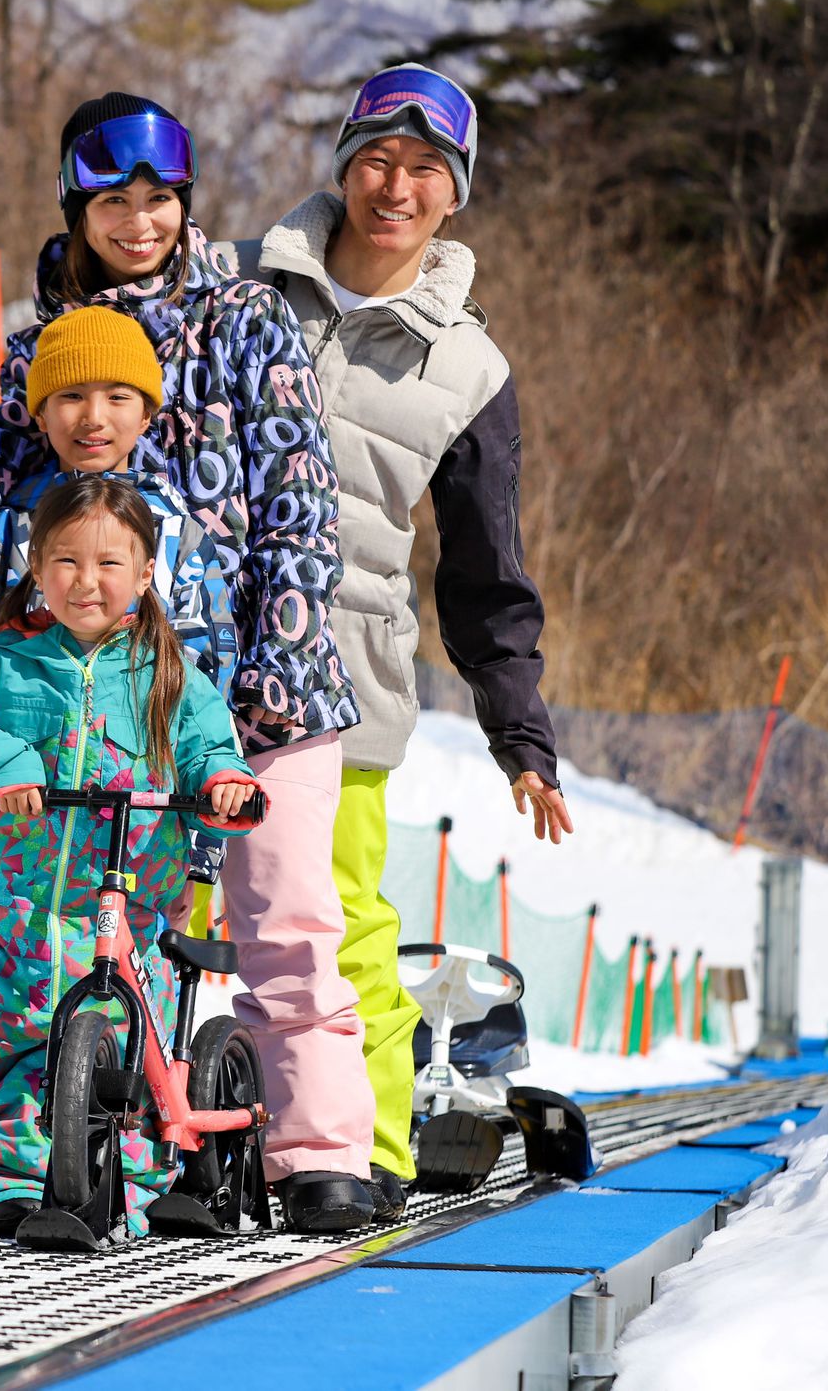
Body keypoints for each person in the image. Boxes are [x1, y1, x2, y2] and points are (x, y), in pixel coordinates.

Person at [0, 93, 379, 1231]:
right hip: (96, 696)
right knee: (99, 942)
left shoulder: (243, 318)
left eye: (160, 198)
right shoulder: (45, 351)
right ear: (77, 207)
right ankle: (54, 1155)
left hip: (248, 674)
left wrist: (274, 660)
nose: (141, 219)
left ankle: (314, 1156)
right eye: (114, 200)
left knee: (287, 924)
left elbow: (300, 505)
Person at [223, 64, 575, 1221]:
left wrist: (517, 731)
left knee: (334, 917)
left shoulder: (471, 371)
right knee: (155, 904)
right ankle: (149, 1126)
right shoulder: (237, 289)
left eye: (427, 170)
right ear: (341, 165)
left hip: (343, 673)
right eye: (377, 158)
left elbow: (483, 569)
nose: (397, 187)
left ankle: (362, 1150)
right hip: (193, 654)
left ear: (454, 195)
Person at [0, 477, 263, 1238]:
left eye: (110, 563)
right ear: (38, 568)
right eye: (66, 561)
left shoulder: (170, 674)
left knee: (132, 1044)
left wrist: (224, 784)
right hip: (17, 911)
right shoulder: (5, 664)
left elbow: (211, 748)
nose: (86, 580)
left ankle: (131, 1184)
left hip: (126, 909)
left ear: (145, 574)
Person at [0, 305, 233, 899]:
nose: (93, 417)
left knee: (128, 989)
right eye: (70, 396)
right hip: (15, 844)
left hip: (139, 848)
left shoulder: (180, 536)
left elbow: (206, 686)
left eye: (118, 397)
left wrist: (202, 849)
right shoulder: (11, 527)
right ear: (38, 413)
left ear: (148, 412)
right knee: (11, 988)